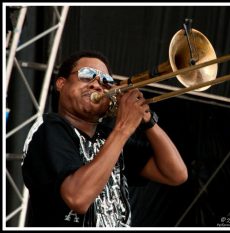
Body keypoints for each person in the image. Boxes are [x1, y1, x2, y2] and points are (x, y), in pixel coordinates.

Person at [21, 50, 188, 227]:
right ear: (61, 83)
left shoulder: (109, 138)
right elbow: (77, 198)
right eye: (86, 75)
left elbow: (176, 174)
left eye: (106, 81)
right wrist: (123, 127)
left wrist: (148, 121)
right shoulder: (48, 129)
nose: (97, 85)